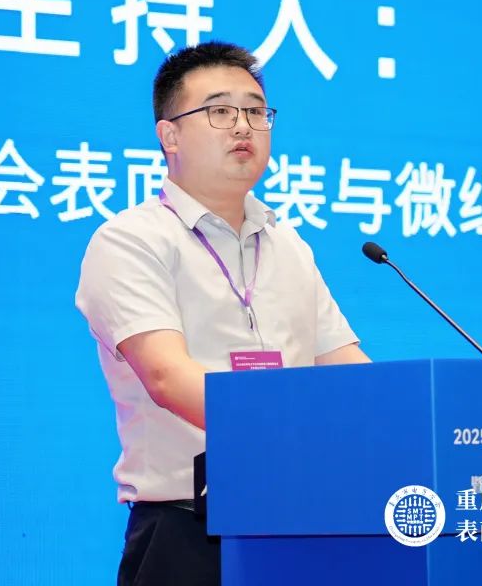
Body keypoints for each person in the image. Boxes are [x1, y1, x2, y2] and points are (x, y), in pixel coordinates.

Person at [75, 41, 370, 586]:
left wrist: (405, 420)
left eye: (256, 111)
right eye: (219, 111)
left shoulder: (288, 245)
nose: (243, 126)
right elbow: (167, 376)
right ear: (169, 136)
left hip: (302, 522)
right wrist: (293, 431)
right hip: (189, 533)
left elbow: (347, 367)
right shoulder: (131, 240)